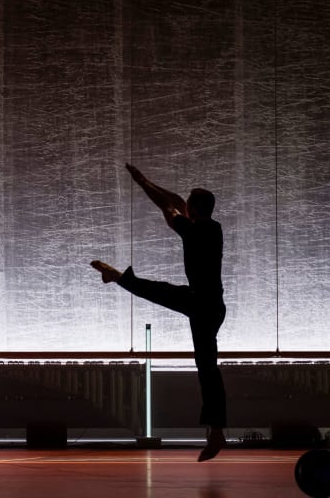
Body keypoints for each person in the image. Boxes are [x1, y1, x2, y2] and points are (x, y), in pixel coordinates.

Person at [91, 163, 226, 462]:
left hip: (202, 305)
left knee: (207, 368)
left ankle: (217, 431)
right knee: (161, 291)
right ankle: (118, 277)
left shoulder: (195, 231)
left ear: (193, 210)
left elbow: (168, 205)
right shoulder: (210, 227)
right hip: (207, 302)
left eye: (188, 206)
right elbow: (176, 202)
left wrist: (142, 182)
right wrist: (146, 181)